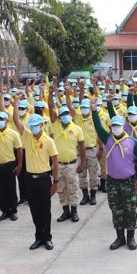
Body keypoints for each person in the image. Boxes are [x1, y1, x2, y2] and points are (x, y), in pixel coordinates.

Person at [92, 111, 137, 251]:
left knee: (129, 209)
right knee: (116, 210)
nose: (116, 128)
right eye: (113, 126)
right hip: (113, 182)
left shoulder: (132, 142)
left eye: (118, 125)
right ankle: (120, 237)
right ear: (111, 128)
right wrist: (93, 111)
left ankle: (131, 237)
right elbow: (98, 127)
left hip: (128, 182)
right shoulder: (108, 139)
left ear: (123, 126)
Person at [13, 100, 59, 251]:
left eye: (34, 126)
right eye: (30, 126)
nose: (32, 128)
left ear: (41, 125)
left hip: (44, 179)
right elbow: (16, 121)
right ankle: (38, 237)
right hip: (30, 178)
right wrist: (15, 103)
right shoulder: (27, 136)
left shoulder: (49, 141)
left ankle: (48, 238)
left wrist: (55, 182)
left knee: (45, 210)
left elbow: (55, 162)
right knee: (34, 210)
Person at [49, 94, 86, 223]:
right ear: (59, 117)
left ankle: (74, 211)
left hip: (72, 164)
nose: (65, 116)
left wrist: (82, 163)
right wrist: (50, 92)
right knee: (61, 188)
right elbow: (50, 107)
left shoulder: (77, 129)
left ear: (70, 114)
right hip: (58, 164)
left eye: (67, 113)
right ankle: (65, 211)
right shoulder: (55, 126)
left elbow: (82, 147)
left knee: (73, 187)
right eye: (62, 114)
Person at [72, 98, 100, 206]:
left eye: (86, 107)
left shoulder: (94, 118)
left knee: (93, 174)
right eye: (82, 107)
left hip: (92, 150)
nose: (84, 109)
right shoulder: (77, 117)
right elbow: (70, 107)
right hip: (79, 151)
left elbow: (99, 133)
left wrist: (100, 149)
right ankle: (85, 195)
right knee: (82, 174)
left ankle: (93, 196)